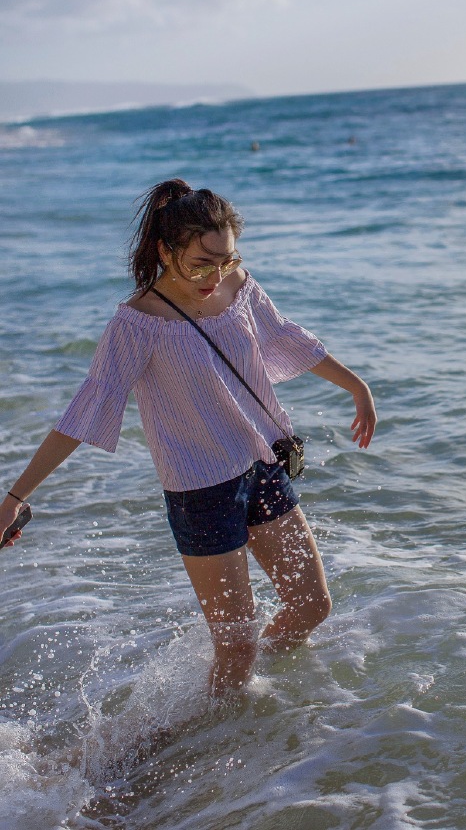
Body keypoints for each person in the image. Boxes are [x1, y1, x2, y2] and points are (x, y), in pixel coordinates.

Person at [0, 179, 377, 695]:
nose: (214, 275)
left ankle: (245, 707)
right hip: (201, 493)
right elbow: (87, 409)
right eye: (201, 262)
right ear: (165, 250)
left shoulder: (237, 286)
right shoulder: (137, 323)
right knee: (236, 648)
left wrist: (356, 385)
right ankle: (195, 743)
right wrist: (16, 496)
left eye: (225, 259)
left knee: (312, 605)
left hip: (261, 467)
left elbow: (283, 334)